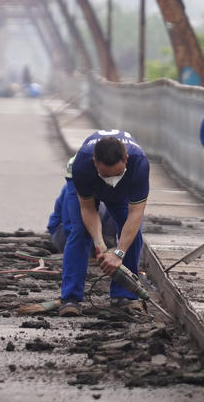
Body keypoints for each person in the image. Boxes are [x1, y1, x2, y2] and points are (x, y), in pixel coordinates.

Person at [59, 129, 150, 316]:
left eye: (116, 173)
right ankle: (70, 298)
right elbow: (87, 209)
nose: (111, 180)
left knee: (132, 232)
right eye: (106, 175)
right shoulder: (82, 164)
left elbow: (135, 214)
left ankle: (125, 295)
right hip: (89, 183)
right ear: (95, 162)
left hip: (125, 188)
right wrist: (100, 245)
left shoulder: (139, 163)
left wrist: (118, 254)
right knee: (80, 232)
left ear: (126, 159)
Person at [47, 157, 117, 254]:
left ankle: (105, 247)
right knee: (91, 211)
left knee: (117, 206)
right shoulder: (74, 188)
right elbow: (70, 227)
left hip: (97, 233)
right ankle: (91, 252)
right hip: (64, 233)